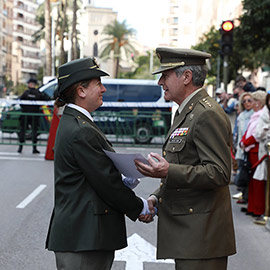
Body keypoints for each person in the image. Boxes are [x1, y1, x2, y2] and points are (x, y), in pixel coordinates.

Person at [135, 47, 236, 270]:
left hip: (202, 237)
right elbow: (187, 165)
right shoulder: (187, 111)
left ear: (187, 77)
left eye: (165, 75)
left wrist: (167, 171)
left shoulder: (205, 113)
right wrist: (156, 197)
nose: (160, 82)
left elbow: (219, 173)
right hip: (192, 235)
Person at [45, 58, 151, 270]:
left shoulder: (78, 122)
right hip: (84, 237)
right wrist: (141, 207)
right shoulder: (81, 129)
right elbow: (105, 183)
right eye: (98, 83)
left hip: (84, 235)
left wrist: (122, 177)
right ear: (81, 91)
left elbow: (95, 173)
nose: (103, 88)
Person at [240, 90, 267, 218]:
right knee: (252, 181)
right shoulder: (256, 115)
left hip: (257, 151)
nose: (252, 103)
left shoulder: (262, 115)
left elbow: (256, 135)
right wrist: (243, 142)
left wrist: (245, 142)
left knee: (258, 182)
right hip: (251, 150)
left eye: (255, 100)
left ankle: (258, 209)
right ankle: (252, 206)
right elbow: (249, 131)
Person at [17, 78, 50, 153]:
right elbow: (46, 99)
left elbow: (20, 101)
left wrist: (25, 109)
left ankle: (20, 148)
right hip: (34, 115)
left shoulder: (26, 93)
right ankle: (34, 148)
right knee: (34, 132)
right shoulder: (38, 93)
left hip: (25, 115)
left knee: (23, 130)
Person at [233, 92, 254, 202]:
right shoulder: (241, 115)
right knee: (243, 171)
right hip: (241, 147)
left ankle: (248, 197)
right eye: (244, 101)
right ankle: (244, 194)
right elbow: (238, 132)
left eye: (249, 100)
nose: (247, 103)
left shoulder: (255, 114)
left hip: (251, 147)